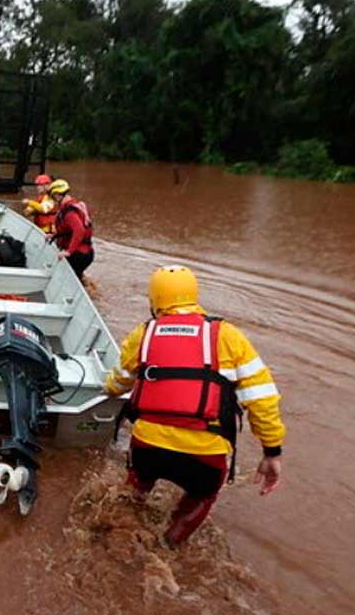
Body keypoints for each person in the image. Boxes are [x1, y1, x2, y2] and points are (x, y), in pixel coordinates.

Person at [103, 265, 285, 548]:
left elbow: (121, 382)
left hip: (148, 446)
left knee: (136, 487)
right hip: (205, 455)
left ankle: (117, 534)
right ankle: (169, 546)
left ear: (155, 300)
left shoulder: (144, 333)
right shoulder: (229, 336)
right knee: (201, 497)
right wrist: (271, 451)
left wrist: (108, 388)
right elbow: (263, 399)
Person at [48, 178, 95, 279]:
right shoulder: (75, 205)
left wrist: (68, 252)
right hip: (86, 253)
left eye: (53, 197)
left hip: (78, 254)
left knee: (64, 278)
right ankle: (88, 287)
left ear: (58, 195)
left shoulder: (69, 213)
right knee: (77, 277)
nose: (54, 200)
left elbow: (79, 230)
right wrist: (54, 235)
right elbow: (68, 229)